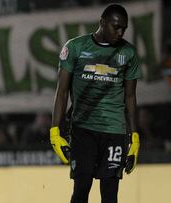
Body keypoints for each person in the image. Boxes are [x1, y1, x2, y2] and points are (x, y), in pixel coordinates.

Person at [49, 4, 141, 203]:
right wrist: (55, 131)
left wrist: (134, 137)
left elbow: (131, 97)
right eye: (116, 27)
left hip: (114, 131)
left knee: (110, 194)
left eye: (124, 28)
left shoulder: (129, 53)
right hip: (83, 130)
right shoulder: (75, 48)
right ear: (102, 23)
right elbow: (62, 91)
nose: (120, 32)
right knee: (82, 188)